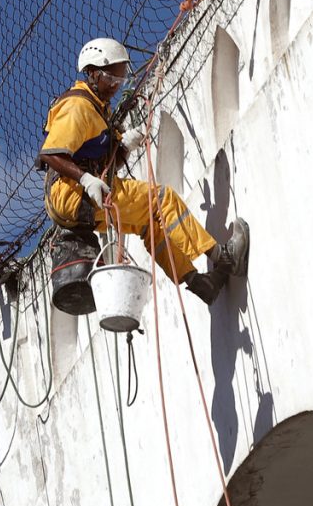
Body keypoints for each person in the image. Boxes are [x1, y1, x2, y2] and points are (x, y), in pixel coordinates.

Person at [38, 37, 249, 305]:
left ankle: (199, 283)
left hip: (79, 199)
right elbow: (51, 153)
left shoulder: (97, 108)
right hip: (72, 194)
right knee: (162, 199)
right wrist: (86, 179)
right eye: (111, 79)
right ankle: (224, 257)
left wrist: (125, 145)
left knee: (149, 223)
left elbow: (107, 165)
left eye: (120, 80)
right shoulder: (77, 106)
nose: (116, 86)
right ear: (92, 73)